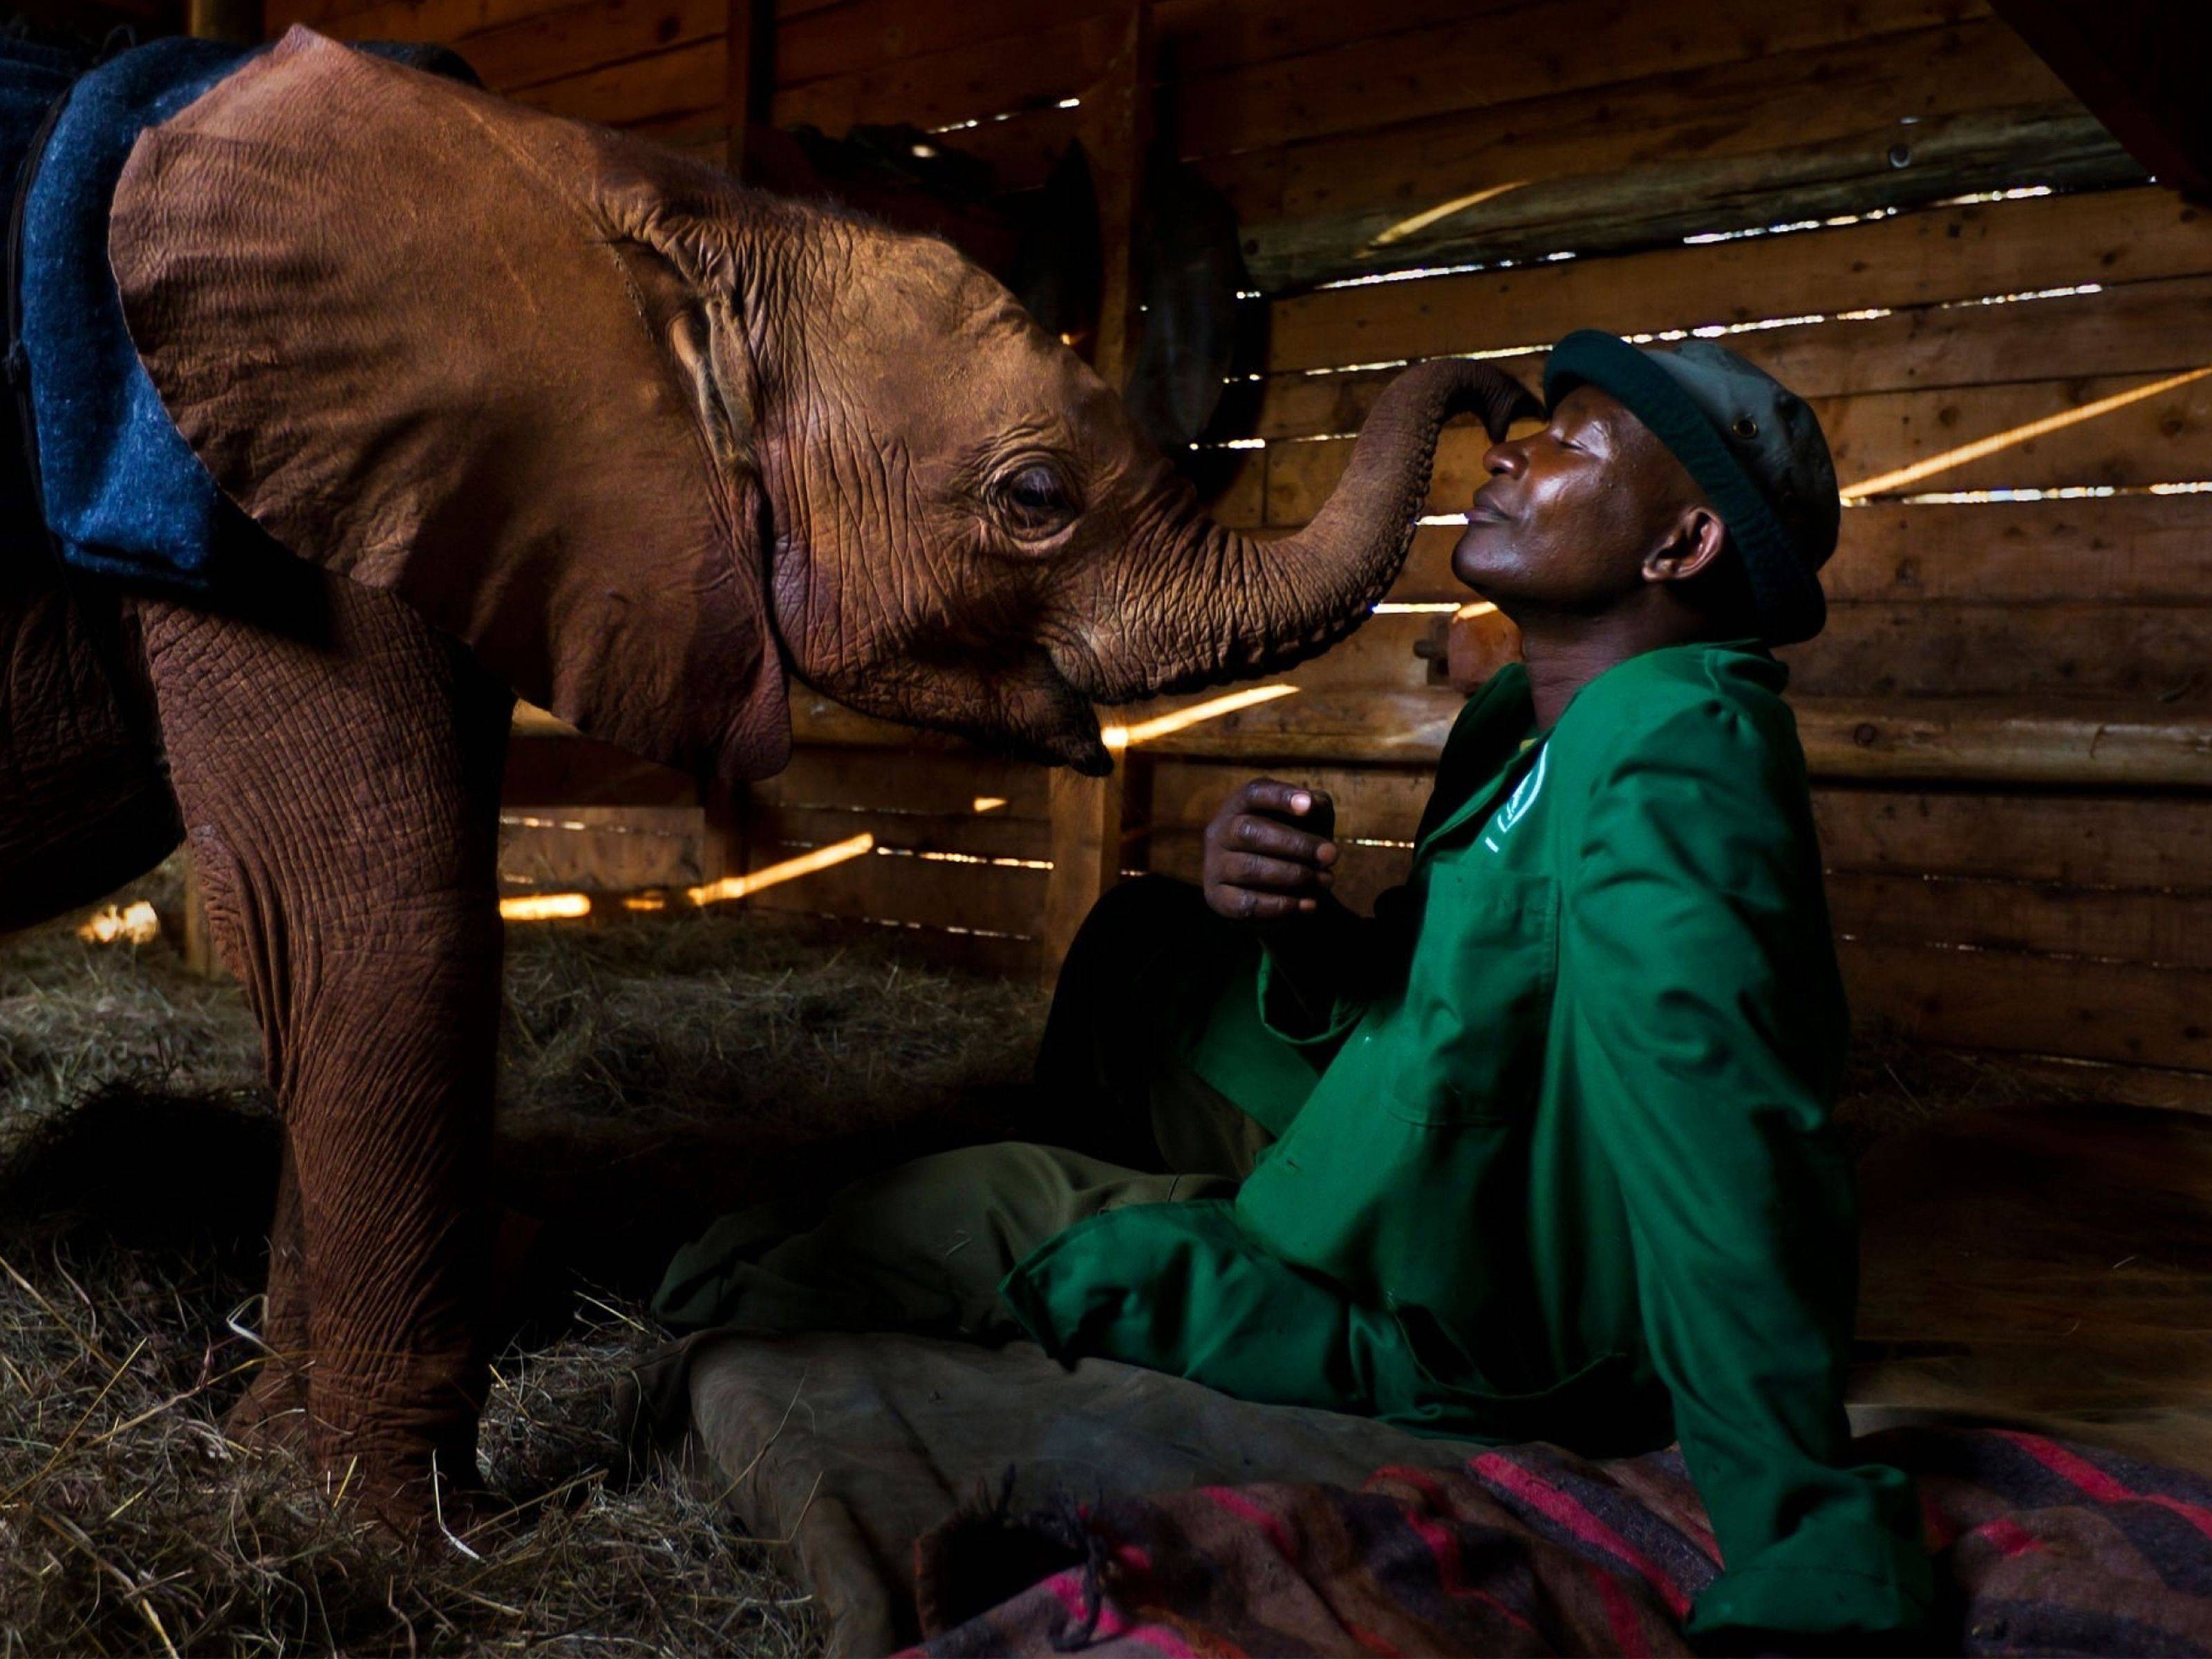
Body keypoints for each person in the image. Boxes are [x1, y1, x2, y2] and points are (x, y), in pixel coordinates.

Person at [655, 330, 1931, 1649]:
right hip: (1413, 1159)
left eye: (1570, 442)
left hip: (1474, 1314)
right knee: (1143, 944)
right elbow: (1469, 995)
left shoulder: (1679, 755)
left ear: (1681, 549)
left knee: (881, 1237)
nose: (1512, 450)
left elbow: (1720, 1129)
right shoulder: (1533, 727)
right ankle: (1141, 1177)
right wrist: (1301, 926)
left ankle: (1082, 1250)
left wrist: (1802, 1526)